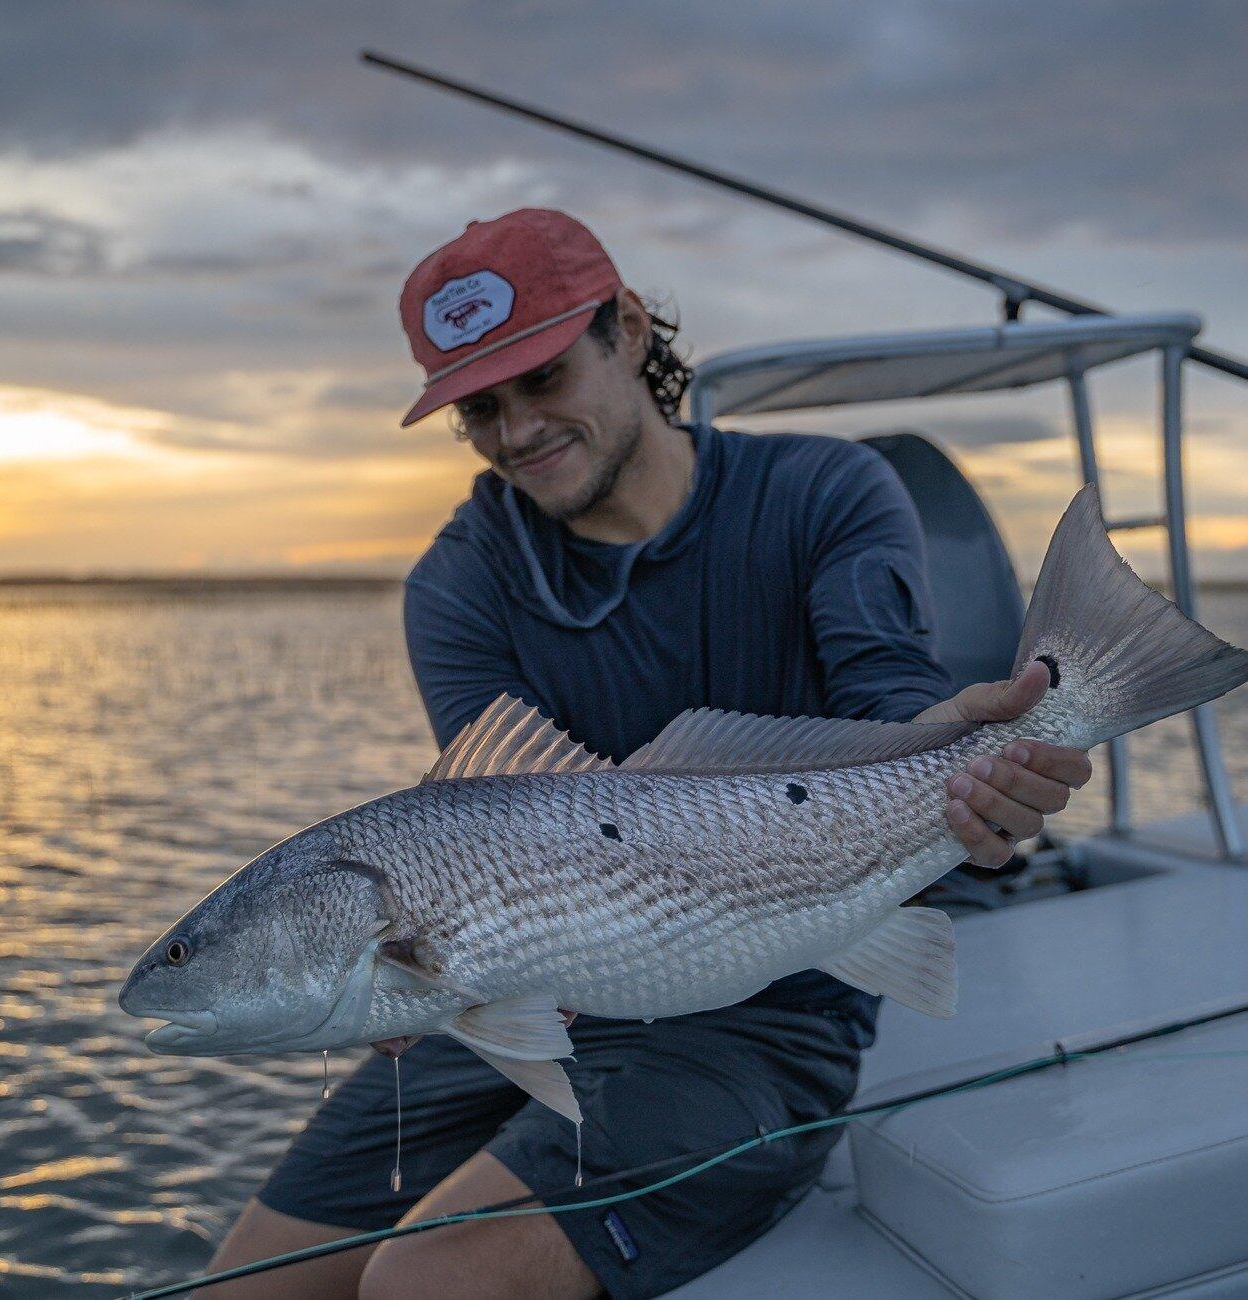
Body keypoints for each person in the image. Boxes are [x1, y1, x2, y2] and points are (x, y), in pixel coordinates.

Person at [207, 208, 1092, 1299]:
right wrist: (403, 981)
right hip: (543, 986)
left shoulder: (825, 491)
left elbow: (890, 703)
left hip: (778, 984)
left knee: (422, 1283)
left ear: (626, 329)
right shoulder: (459, 583)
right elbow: (483, 842)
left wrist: (976, 766)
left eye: (540, 378)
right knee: (235, 1289)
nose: (515, 429)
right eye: (477, 408)